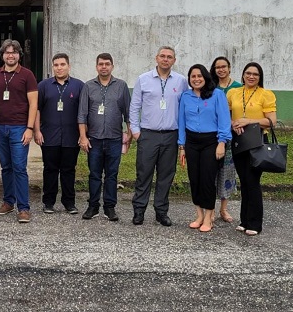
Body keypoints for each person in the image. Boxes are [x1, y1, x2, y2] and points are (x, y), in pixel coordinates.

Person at [129, 46, 188, 226]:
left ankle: (161, 212)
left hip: (171, 135)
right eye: (162, 56)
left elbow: (184, 109)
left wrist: (181, 138)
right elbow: (134, 106)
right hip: (148, 135)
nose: (165, 59)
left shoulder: (181, 81)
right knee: (144, 174)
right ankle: (139, 211)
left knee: (166, 175)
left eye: (169, 57)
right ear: (156, 58)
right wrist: (136, 131)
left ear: (174, 61)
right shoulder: (143, 79)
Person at [78, 53, 131, 222]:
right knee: (94, 174)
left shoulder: (121, 86)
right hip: (94, 139)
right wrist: (83, 137)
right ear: (96, 66)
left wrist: (129, 135)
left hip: (114, 139)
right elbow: (82, 115)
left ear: (112, 66)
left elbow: (128, 114)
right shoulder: (88, 86)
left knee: (112, 175)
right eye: (101, 64)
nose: (104, 67)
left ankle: (110, 207)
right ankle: (93, 206)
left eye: (107, 64)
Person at [178, 64, 231, 232]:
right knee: (195, 178)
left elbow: (224, 120)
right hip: (191, 142)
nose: (196, 79)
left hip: (211, 141)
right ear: (189, 79)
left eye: (199, 76)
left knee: (208, 179)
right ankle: (199, 214)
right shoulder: (185, 96)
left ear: (205, 77)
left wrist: (221, 142)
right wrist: (182, 146)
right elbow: (181, 122)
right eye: (193, 77)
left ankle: (209, 217)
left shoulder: (217, 95)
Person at [0, 39, 38, 223]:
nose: (11, 55)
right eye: (7, 52)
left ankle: (23, 207)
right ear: (2, 55)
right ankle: (8, 202)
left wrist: (30, 128)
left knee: (19, 168)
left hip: (20, 128)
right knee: (6, 167)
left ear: (19, 55)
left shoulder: (27, 75)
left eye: (14, 52)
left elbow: (33, 103)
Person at [227, 62, 276, 236]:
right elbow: (226, 113)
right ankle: (244, 220)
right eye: (248, 73)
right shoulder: (233, 92)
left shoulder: (266, 94)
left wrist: (248, 121)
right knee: (244, 180)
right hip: (239, 140)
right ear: (243, 75)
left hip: (257, 141)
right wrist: (233, 123)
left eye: (255, 74)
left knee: (252, 180)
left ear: (260, 77)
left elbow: (271, 121)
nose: (251, 76)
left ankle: (255, 223)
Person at [34, 53, 84, 215]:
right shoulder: (43, 86)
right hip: (49, 136)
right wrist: (37, 131)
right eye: (56, 65)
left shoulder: (79, 86)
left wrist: (83, 134)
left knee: (69, 170)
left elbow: (83, 113)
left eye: (62, 64)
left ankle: (69, 202)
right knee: (50, 170)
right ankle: (48, 202)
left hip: (71, 136)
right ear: (52, 67)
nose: (59, 68)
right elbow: (37, 110)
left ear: (69, 66)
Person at [209, 56, 242, 223]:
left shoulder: (238, 88)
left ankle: (224, 209)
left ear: (229, 68)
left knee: (227, 172)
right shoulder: (210, 87)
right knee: (211, 172)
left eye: (223, 67)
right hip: (211, 135)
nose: (220, 70)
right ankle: (211, 209)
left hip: (231, 136)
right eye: (217, 67)